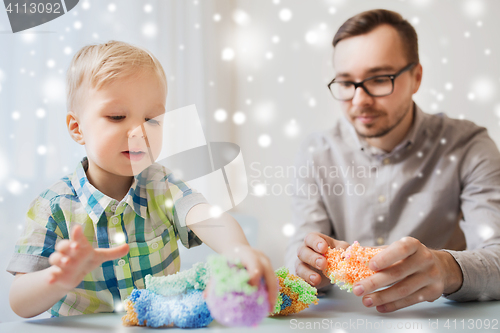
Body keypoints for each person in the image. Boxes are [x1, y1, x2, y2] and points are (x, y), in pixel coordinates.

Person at [7, 40, 277, 318]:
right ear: (77, 128)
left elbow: (205, 215)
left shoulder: (162, 185)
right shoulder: (53, 206)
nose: (139, 131)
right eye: (117, 116)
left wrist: (237, 249)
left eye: (152, 119)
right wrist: (58, 278)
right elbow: (19, 301)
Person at [286, 9, 500, 313]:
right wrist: (307, 263)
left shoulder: (469, 147)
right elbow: (299, 249)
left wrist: (446, 267)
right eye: (346, 82)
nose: (360, 100)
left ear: (416, 77)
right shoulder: (316, 152)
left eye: (378, 79)